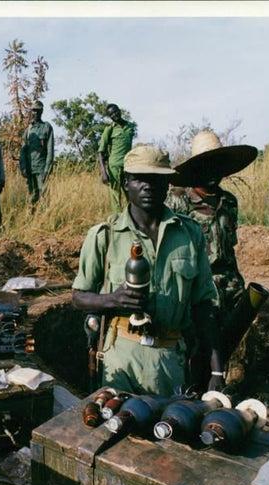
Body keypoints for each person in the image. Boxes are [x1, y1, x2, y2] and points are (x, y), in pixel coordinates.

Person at [72, 144, 225, 397]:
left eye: (156, 179)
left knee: (169, 431)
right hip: (119, 358)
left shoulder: (189, 234)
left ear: (167, 186)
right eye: (139, 179)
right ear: (125, 183)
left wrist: (216, 371)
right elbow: (78, 297)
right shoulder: (105, 236)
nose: (148, 186)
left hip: (171, 361)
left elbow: (204, 305)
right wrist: (112, 299)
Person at [167, 130, 258, 388]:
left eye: (218, 165)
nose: (213, 171)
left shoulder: (229, 202)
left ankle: (219, 392)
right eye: (207, 164)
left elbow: (229, 250)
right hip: (197, 289)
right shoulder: (179, 201)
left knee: (228, 345)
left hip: (229, 287)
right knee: (196, 349)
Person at [98, 103, 136, 214]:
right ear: (109, 117)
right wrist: (103, 172)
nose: (115, 115)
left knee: (131, 194)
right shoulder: (109, 129)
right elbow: (100, 152)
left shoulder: (130, 126)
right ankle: (117, 222)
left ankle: (133, 219)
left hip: (128, 166)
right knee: (115, 196)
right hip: (114, 167)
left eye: (116, 112)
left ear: (120, 110)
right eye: (111, 114)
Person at [21, 100, 54, 207]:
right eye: (33, 111)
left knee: (44, 198)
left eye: (37, 111)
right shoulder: (28, 130)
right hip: (30, 170)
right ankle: (32, 222)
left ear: (41, 112)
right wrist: (24, 168)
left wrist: (47, 169)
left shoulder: (47, 127)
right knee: (32, 199)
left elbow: (50, 150)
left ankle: (46, 221)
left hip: (42, 169)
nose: (34, 113)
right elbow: (23, 151)